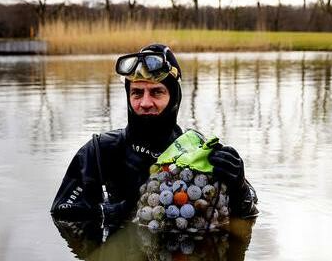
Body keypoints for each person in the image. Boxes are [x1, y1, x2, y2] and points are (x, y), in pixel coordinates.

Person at [50, 43, 257, 230]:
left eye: (157, 92)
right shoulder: (100, 151)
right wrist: (121, 211)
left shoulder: (198, 151)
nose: (145, 102)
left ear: (174, 97)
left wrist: (238, 186)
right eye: (137, 93)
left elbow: (249, 212)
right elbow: (62, 213)